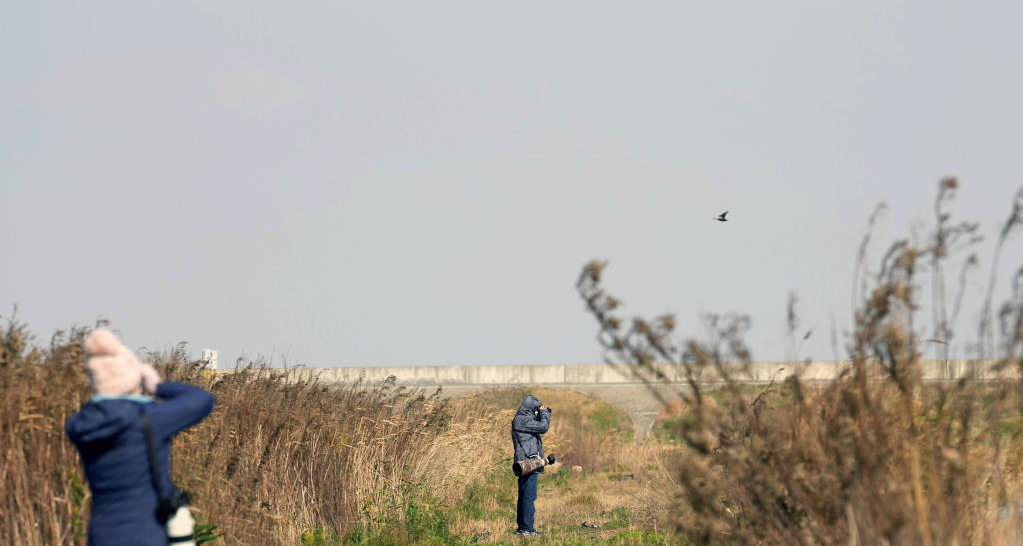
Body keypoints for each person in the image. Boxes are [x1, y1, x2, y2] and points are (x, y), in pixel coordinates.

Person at [66, 329, 215, 546]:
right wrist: (156, 386)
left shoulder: (79, 424)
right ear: (131, 379)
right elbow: (201, 400)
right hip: (147, 533)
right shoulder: (148, 419)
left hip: (102, 535)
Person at [511, 394, 551, 536]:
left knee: (524, 496)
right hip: (528, 463)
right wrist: (544, 412)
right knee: (529, 496)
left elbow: (537, 425)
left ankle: (523, 528)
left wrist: (541, 412)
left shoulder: (521, 419)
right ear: (531, 408)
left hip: (525, 462)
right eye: (536, 409)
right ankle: (527, 528)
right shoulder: (521, 421)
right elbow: (544, 427)